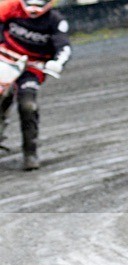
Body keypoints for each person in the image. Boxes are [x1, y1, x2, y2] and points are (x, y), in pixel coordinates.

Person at [0, 0, 70, 170]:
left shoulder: (55, 20)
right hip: (5, 58)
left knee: (28, 106)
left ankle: (30, 152)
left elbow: (64, 46)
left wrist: (57, 63)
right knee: (3, 93)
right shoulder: (10, 6)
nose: (34, 9)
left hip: (32, 67)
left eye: (39, 4)